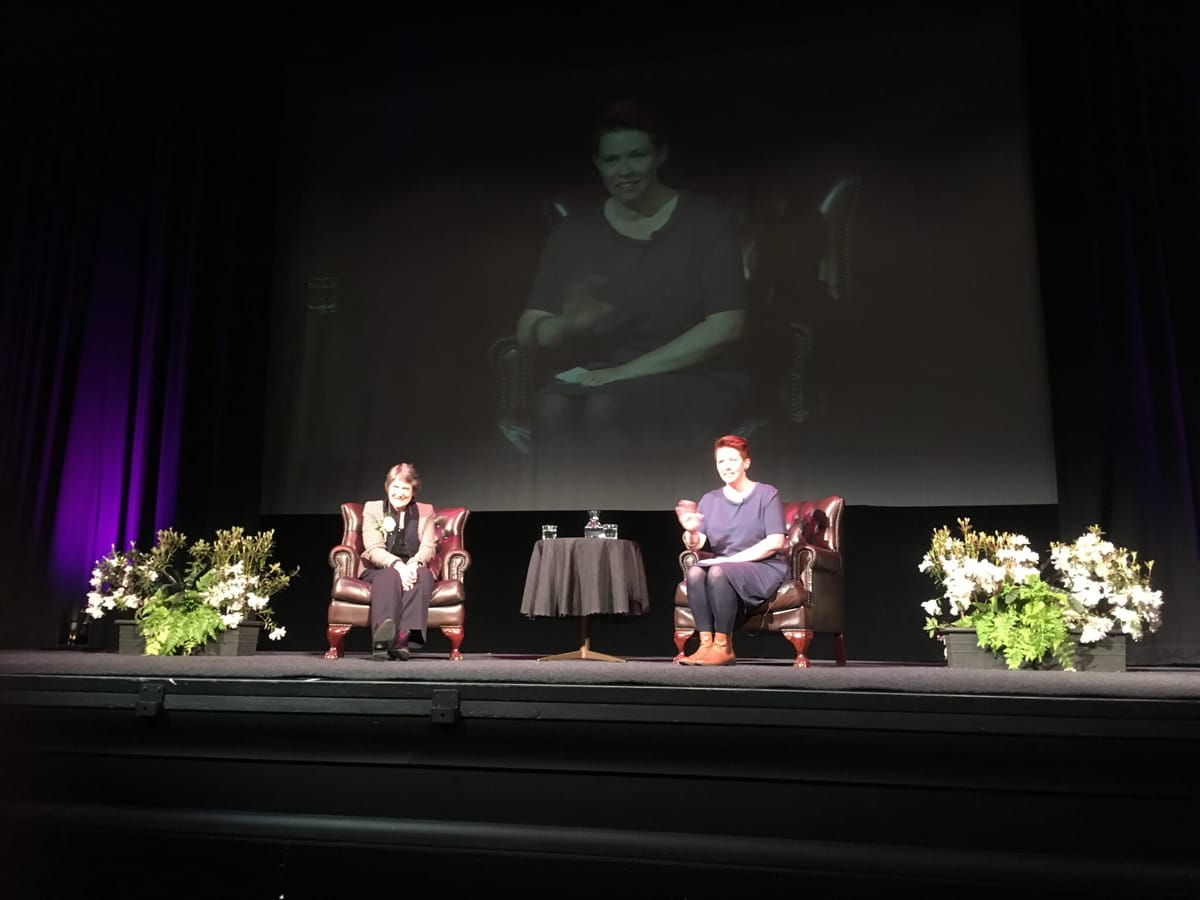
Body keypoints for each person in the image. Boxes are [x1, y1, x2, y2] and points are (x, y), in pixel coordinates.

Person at [509, 98, 749, 454]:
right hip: (600, 373)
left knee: (605, 409)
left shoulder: (707, 221)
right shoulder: (575, 231)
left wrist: (629, 371)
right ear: (598, 164)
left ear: (660, 156)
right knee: (552, 408)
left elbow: (726, 325)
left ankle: (624, 511)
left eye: (637, 155)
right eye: (612, 160)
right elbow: (530, 329)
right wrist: (567, 324)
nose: (624, 170)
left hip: (693, 376)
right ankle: (561, 512)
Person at [674, 434, 788, 666]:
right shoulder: (710, 499)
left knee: (717, 571)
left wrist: (732, 561)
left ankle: (724, 647)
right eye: (721, 462)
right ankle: (705, 645)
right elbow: (696, 543)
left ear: (746, 463)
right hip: (726, 566)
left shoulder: (767, 494)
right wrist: (692, 531)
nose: (726, 467)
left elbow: (775, 541)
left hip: (763, 566)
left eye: (732, 460)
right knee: (695, 571)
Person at [359, 463, 438, 660]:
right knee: (389, 576)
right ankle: (381, 640)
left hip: (413, 566)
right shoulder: (373, 508)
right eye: (395, 487)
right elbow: (373, 547)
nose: (399, 493)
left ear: (413, 491)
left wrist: (413, 564)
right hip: (380, 567)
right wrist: (397, 565)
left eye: (405, 488)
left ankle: (402, 639)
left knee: (422, 575)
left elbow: (428, 546)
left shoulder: (425, 511)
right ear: (388, 487)